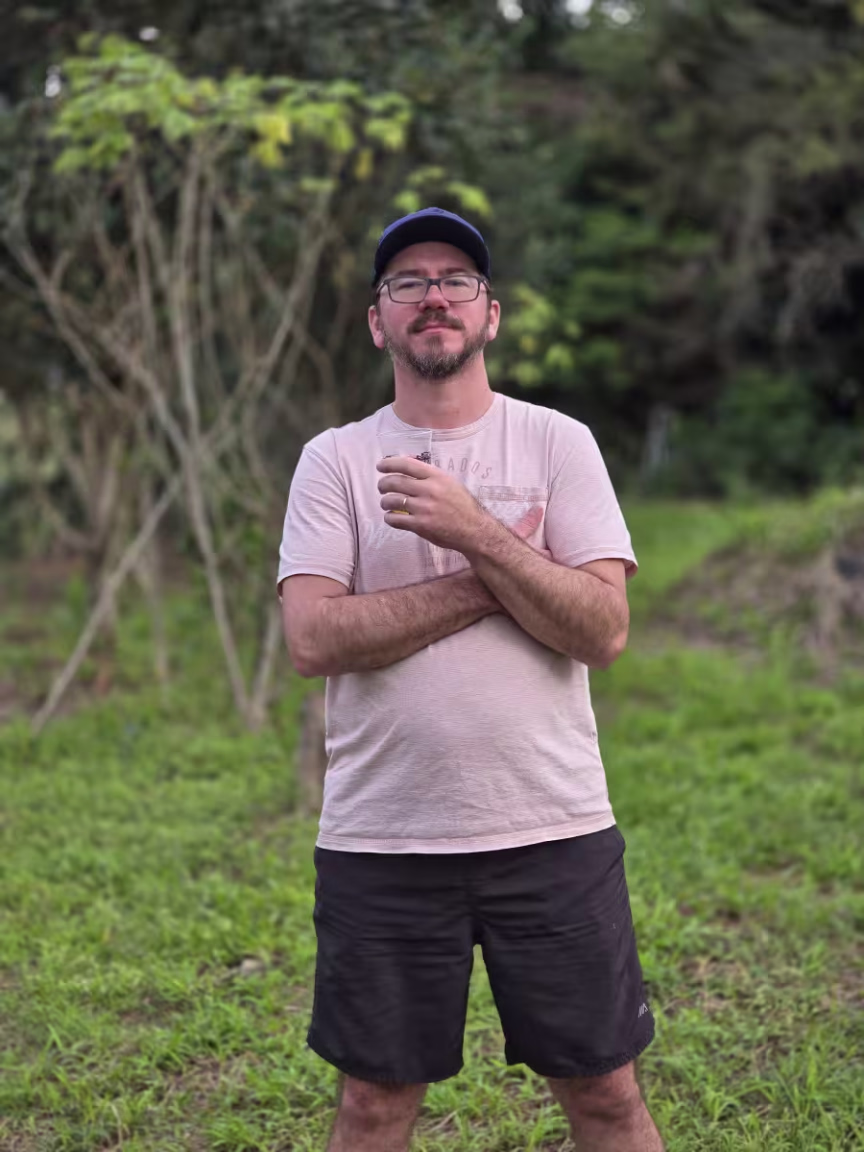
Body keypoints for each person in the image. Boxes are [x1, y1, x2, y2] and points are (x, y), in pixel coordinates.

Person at [277, 207, 664, 1152]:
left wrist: (471, 530)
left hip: (553, 828)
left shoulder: (557, 443)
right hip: (383, 838)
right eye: (408, 283)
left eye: (456, 281)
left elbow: (603, 629)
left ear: (489, 313)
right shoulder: (336, 459)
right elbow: (315, 638)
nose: (434, 297)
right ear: (379, 322)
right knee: (373, 1105)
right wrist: (499, 573)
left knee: (605, 1095)